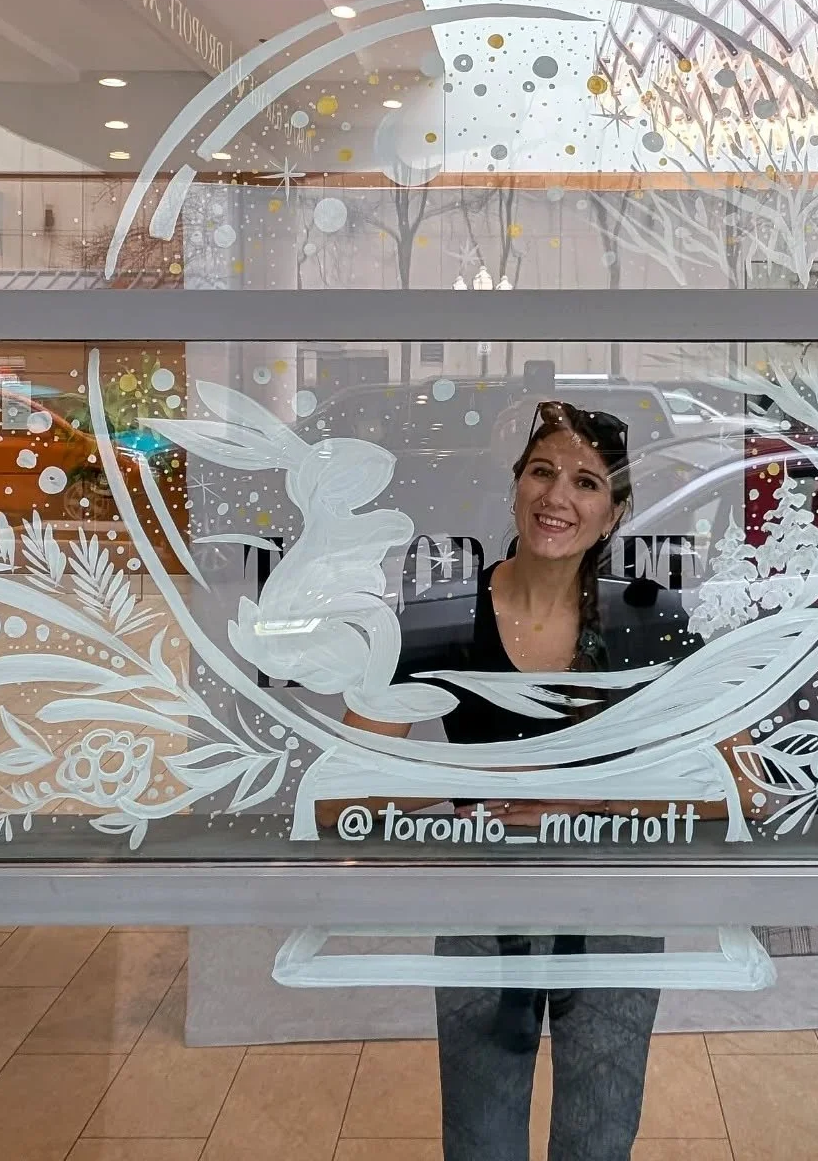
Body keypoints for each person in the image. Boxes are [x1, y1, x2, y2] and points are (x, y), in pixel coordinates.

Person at [331, 399, 705, 1161]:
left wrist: (588, 797)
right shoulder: (440, 616)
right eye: (541, 472)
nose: (557, 497)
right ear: (514, 486)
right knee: (480, 1148)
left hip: (615, 910)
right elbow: (343, 788)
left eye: (587, 482)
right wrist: (485, 776)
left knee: (597, 1146)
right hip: (481, 905)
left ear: (615, 511)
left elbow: (735, 786)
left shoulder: (649, 618)